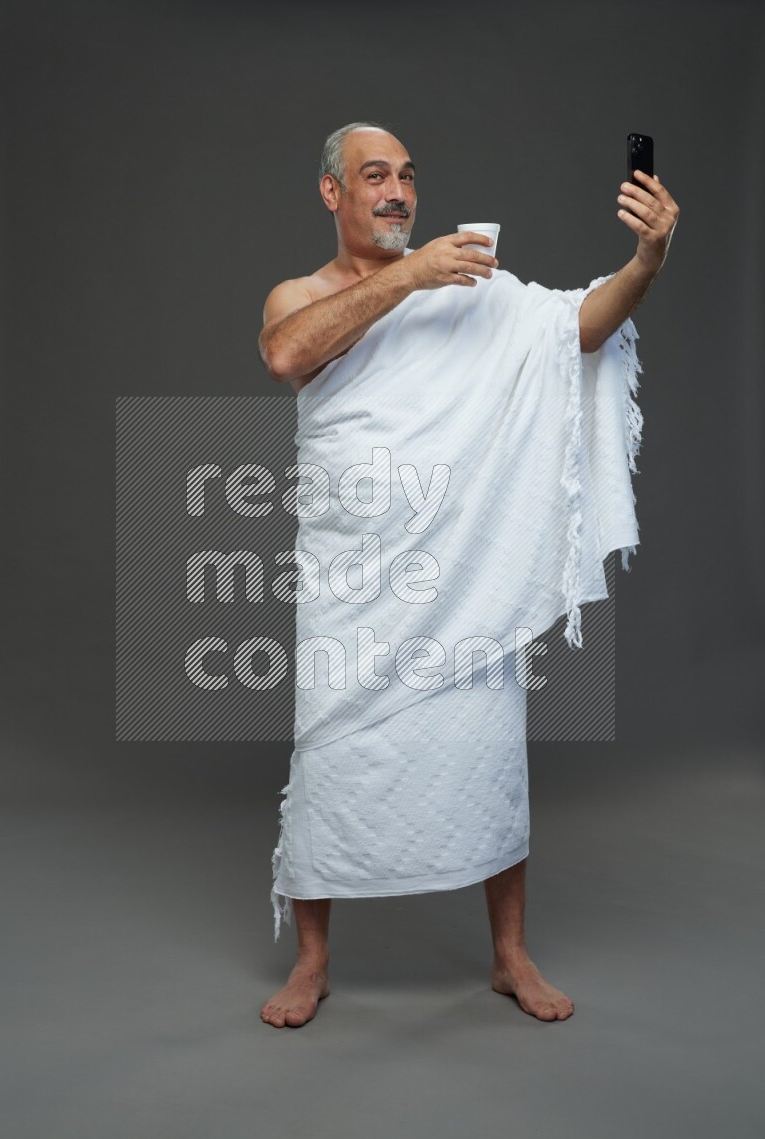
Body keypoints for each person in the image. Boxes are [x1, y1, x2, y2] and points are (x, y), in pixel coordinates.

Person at [257, 121, 679, 1028]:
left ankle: (509, 955)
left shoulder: (473, 288)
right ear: (334, 193)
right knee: (329, 747)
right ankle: (314, 960)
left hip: (462, 574)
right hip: (353, 576)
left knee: (486, 752)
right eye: (376, 176)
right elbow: (288, 355)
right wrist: (407, 277)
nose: (399, 192)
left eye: (407, 175)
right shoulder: (304, 293)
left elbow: (578, 326)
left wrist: (646, 259)